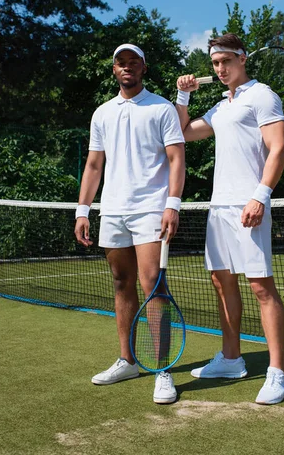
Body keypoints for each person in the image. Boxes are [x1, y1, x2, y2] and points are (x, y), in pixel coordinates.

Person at [175, 33, 284, 405]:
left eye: (226, 61)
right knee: (221, 282)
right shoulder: (221, 107)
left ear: (242, 58)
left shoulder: (263, 95)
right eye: (215, 63)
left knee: (261, 287)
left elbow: (279, 148)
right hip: (220, 208)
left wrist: (260, 195)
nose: (220, 69)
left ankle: (278, 373)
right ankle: (230, 358)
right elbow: (183, 132)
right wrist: (184, 96)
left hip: (250, 204)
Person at [75, 43, 185, 405]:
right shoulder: (102, 113)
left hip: (152, 210)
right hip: (113, 211)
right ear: (114, 70)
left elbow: (176, 158)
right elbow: (94, 166)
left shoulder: (162, 107)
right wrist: (82, 210)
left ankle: (163, 369)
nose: (127, 68)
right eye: (121, 63)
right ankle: (127, 360)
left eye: (133, 62)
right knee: (122, 282)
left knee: (152, 284)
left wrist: (172, 205)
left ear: (143, 68)